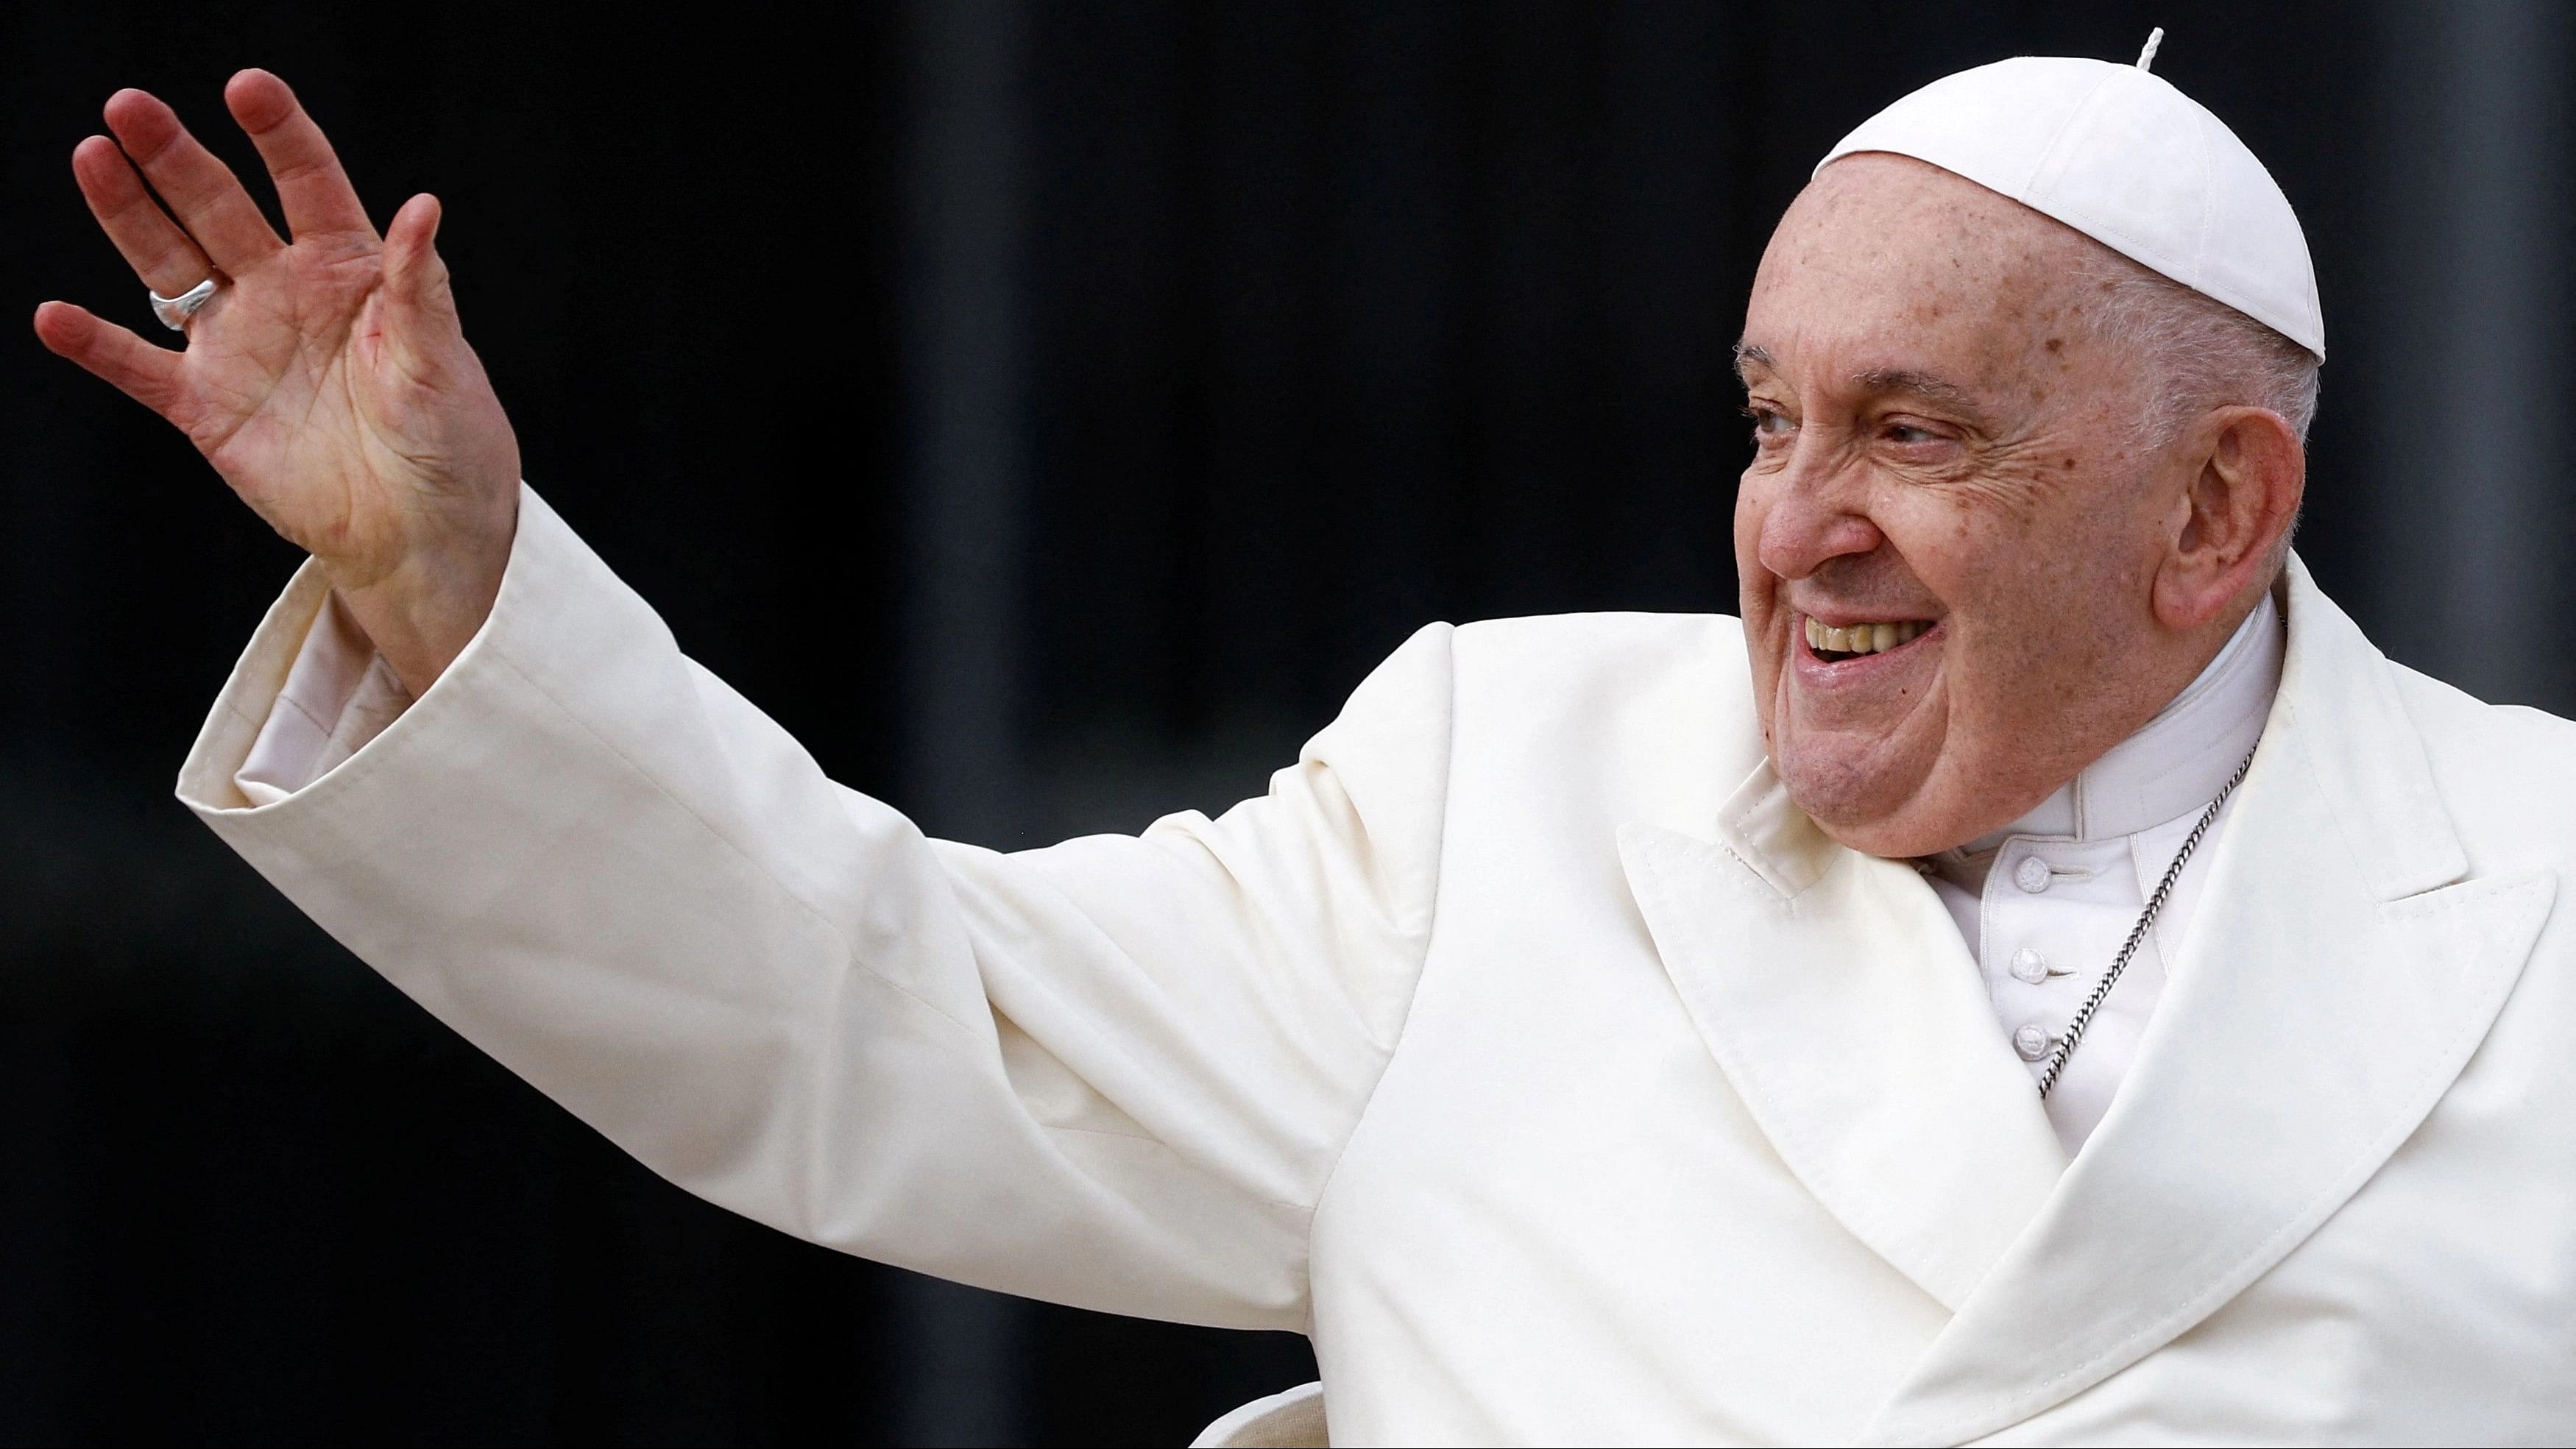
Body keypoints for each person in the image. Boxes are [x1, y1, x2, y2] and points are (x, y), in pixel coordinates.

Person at [36, 43, 2576, 1447]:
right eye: (1762, 418)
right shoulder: (1512, 778)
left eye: (1906, 430)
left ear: (2213, 509)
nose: (1790, 526)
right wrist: (453, 587)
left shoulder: (2543, 887)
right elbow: (889, 999)